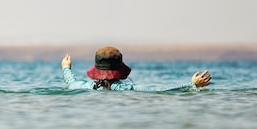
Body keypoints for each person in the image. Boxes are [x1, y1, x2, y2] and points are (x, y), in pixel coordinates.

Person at [60, 46, 212, 91]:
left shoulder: (84, 86)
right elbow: (161, 91)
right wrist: (192, 84)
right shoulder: (128, 89)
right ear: (120, 68)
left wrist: (66, 67)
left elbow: (71, 82)